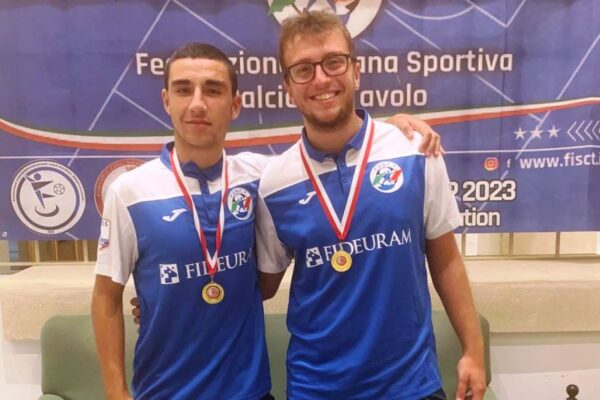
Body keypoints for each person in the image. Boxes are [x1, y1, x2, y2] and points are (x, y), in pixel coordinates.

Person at [92, 42, 442, 399]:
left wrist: (392, 129)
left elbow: (331, 147)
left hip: (250, 391)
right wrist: (116, 392)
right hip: (164, 392)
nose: (197, 104)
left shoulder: (262, 178)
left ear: (235, 105)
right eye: (183, 90)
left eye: (213, 90)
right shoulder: (130, 192)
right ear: (167, 101)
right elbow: (106, 297)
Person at [255, 10, 486, 400]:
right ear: (288, 87)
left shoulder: (414, 151)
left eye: (333, 62)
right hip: (317, 388)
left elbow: (446, 260)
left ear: (356, 71)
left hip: (410, 384)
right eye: (303, 69)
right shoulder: (275, 182)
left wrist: (473, 351)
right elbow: (260, 288)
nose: (321, 79)